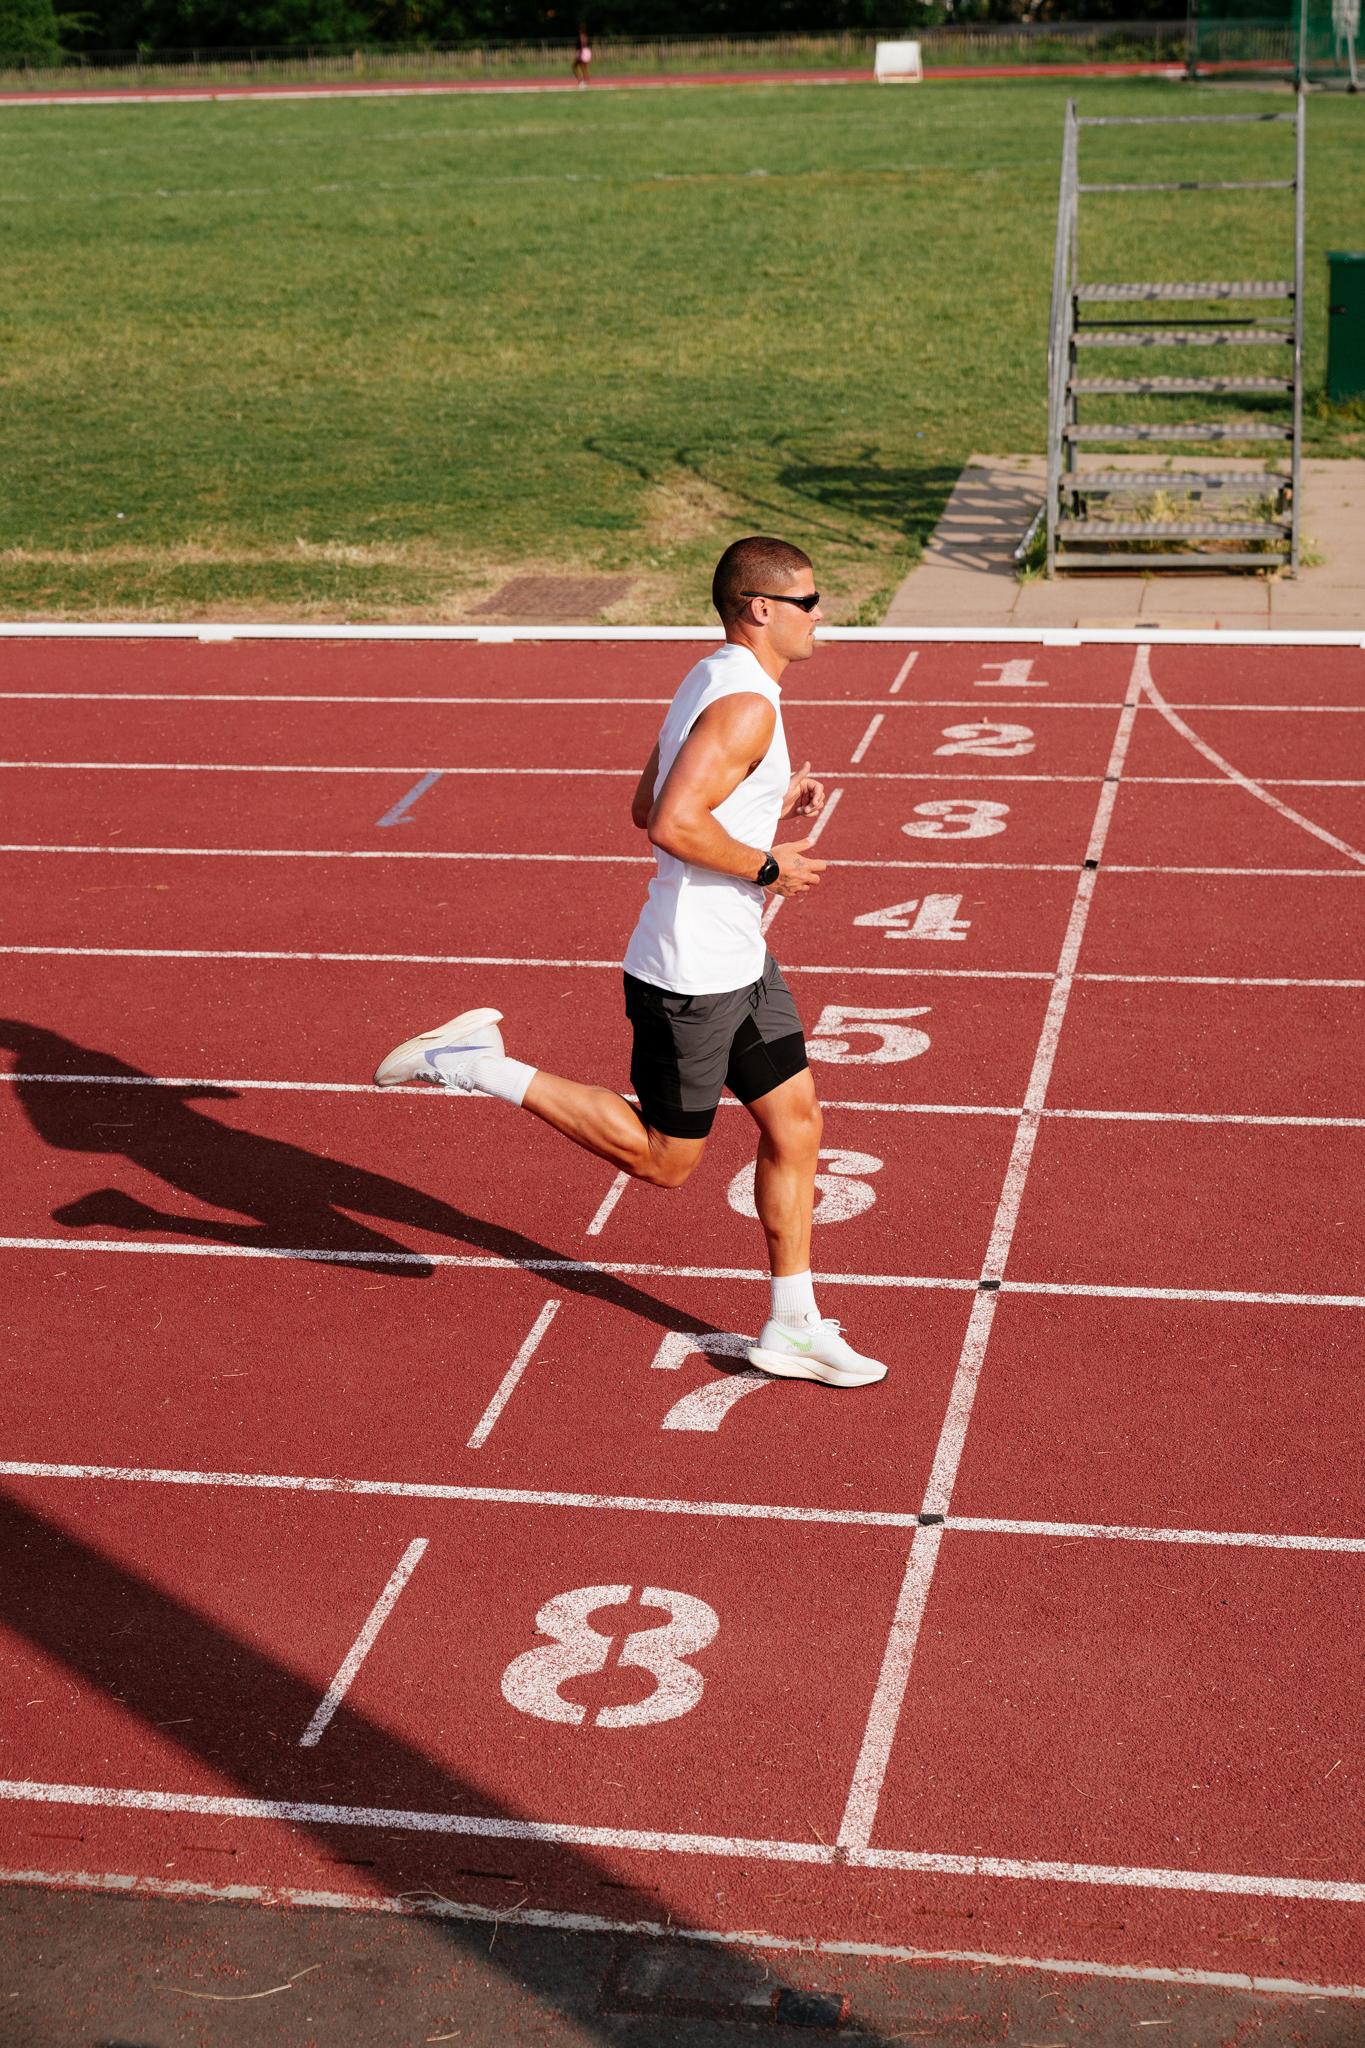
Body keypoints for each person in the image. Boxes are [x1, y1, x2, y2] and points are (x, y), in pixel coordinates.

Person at [374, 536, 886, 1388]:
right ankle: (478, 1064)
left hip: (736, 955)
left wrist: (768, 796)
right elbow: (668, 824)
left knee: (795, 1124)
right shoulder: (747, 706)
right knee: (663, 1159)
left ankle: (792, 1324)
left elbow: (650, 795)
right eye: (808, 601)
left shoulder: (712, 677)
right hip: (690, 970)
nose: (819, 615)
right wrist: (770, 864)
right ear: (760, 609)